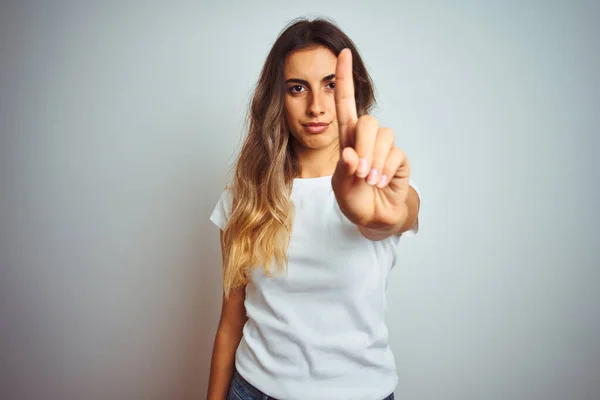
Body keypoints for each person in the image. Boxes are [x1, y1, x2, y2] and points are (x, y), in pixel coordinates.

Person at [207, 17, 421, 400]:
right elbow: (231, 320)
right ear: (278, 98)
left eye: (331, 85)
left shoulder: (384, 187)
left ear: (352, 93)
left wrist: (377, 215)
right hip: (253, 390)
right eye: (297, 88)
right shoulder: (245, 196)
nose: (316, 107)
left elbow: (399, 213)